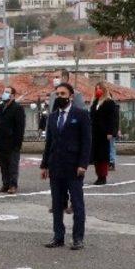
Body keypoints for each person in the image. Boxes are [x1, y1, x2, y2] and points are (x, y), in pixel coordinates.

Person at [40, 82, 92, 250]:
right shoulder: (53, 116)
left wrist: (83, 164)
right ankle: (58, 236)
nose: (60, 97)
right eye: (57, 94)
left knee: (77, 203)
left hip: (74, 166)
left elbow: (86, 142)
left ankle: (78, 238)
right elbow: (49, 143)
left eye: (63, 94)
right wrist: (44, 165)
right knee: (57, 204)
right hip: (56, 166)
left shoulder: (81, 115)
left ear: (71, 96)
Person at [0, 85, 25, 194]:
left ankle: (13, 185)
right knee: (3, 165)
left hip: (12, 143)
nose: (4, 94)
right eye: (4, 92)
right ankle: (5, 184)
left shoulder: (17, 108)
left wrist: (17, 144)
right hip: (0, 142)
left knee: (12, 165)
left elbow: (20, 128)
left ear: (13, 96)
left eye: (7, 92)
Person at [89, 81, 120, 186]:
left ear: (104, 90)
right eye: (96, 89)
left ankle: (103, 176)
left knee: (103, 155)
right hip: (95, 132)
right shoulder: (95, 102)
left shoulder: (109, 102)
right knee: (96, 155)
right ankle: (98, 175)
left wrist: (110, 132)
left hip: (104, 133)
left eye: (100, 88)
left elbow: (113, 119)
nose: (98, 90)